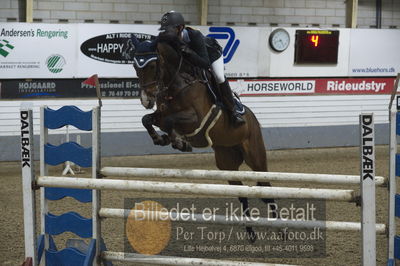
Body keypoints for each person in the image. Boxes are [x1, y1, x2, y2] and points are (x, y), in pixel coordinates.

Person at [159, 11, 245, 127]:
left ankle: (233, 112)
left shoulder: (195, 36)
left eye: (170, 30)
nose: (167, 33)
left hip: (212, 55)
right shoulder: (169, 39)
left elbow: (205, 64)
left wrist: (188, 51)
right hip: (193, 60)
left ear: (180, 28)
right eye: (165, 30)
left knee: (219, 76)